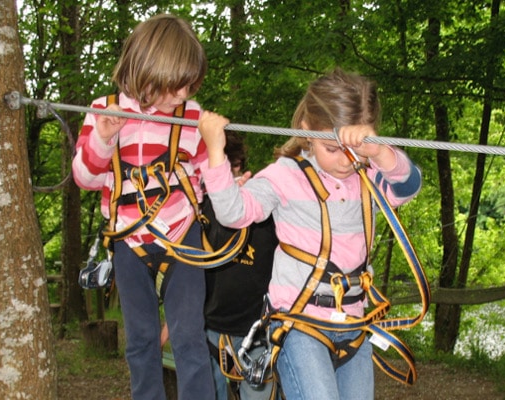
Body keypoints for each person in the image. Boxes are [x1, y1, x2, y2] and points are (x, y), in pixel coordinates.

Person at [197, 68, 422, 400]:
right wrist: (215, 152)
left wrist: (379, 152)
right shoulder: (286, 175)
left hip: (354, 323)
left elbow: (408, 187)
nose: (348, 162)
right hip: (300, 323)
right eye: (333, 150)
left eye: (358, 151)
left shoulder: (369, 174)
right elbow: (233, 213)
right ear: (307, 131)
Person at [72, 14, 215, 400]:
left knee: (188, 337)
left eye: (190, 85)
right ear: (149, 70)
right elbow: (85, 178)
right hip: (127, 239)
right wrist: (102, 140)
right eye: (178, 85)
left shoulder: (192, 117)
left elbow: (210, 173)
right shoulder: (105, 109)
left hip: (182, 233)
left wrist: (231, 186)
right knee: (141, 341)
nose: (184, 94)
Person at [202, 131, 279, 400]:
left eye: (230, 165)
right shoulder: (201, 210)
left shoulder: (264, 207)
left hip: (257, 329)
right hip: (211, 328)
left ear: (238, 165)